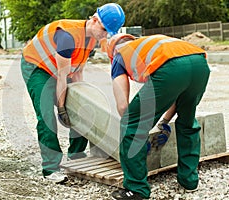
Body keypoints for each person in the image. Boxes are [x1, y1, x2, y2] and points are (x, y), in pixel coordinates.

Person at [21, 3, 125, 183]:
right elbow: (62, 76)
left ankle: (76, 156)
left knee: (82, 108)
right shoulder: (67, 36)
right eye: (104, 29)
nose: (105, 34)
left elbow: (77, 71)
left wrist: (82, 100)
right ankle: (50, 168)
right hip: (37, 67)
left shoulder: (92, 38)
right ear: (94, 20)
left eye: (109, 32)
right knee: (47, 115)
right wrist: (62, 108)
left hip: (59, 70)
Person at [105, 33, 210, 199]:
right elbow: (175, 92)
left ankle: (136, 189)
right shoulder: (149, 46)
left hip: (171, 68)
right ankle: (189, 181)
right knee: (187, 122)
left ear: (111, 50)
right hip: (200, 63)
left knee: (131, 123)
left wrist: (137, 138)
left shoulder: (119, 56)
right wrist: (164, 122)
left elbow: (124, 107)